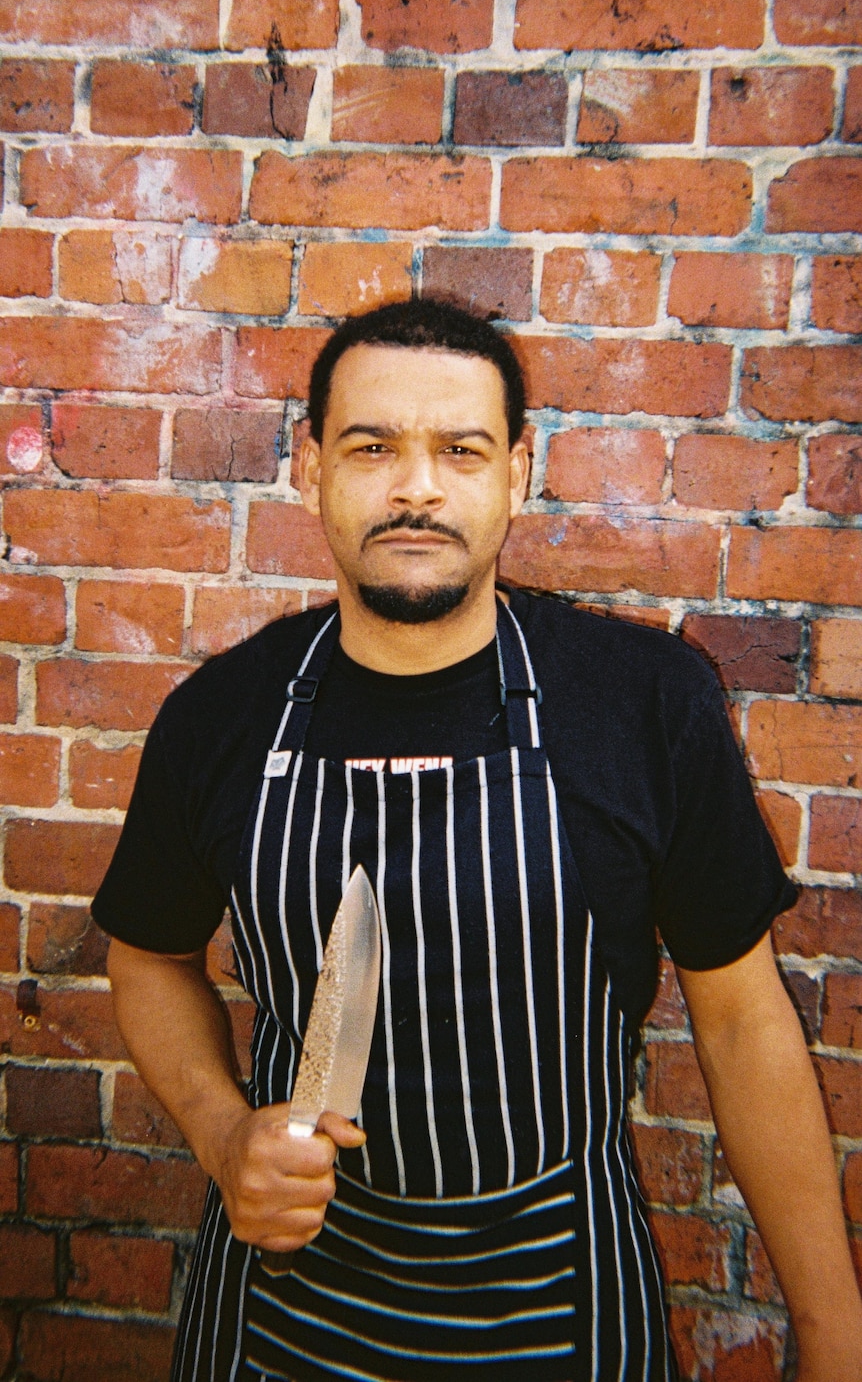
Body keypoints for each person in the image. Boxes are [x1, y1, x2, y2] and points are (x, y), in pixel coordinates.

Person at [93, 299, 862, 1382]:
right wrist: (226, 1141)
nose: (415, 487)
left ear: (517, 470)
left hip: (560, 1301)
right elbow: (149, 955)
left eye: (458, 449)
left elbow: (741, 1024)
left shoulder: (640, 702)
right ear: (309, 470)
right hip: (286, 1307)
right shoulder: (222, 715)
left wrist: (834, 1338)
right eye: (371, 447)